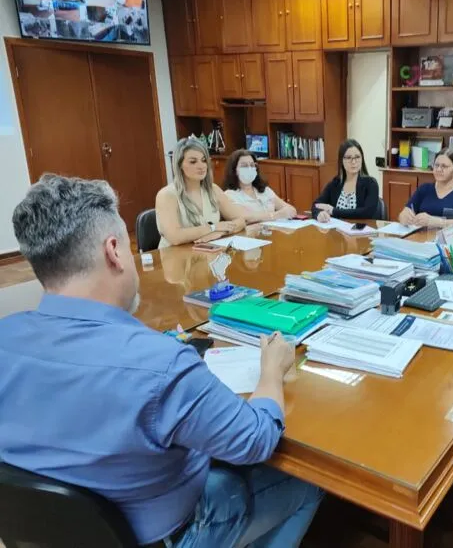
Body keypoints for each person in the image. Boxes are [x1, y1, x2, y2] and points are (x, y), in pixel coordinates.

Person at [0, 175, 323, 548]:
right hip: (171, 533)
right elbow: (257, 440)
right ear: (114, 251)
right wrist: (271, 373)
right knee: (308, 483)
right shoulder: (161, 365)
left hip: (48, 533)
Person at [156, 138, 246, 248]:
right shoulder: (166, 195)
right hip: (174, 255)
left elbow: (240, 220)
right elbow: (175, 237)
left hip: (207, 251)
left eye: (203, 160)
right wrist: (213, 228)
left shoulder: (213, 190)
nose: (201, 166)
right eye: (193, 162)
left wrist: (220, 232)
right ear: (179, 165)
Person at [398, 149, 453, 228]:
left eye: (444, 166)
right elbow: (404, 213)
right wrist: (404, 217)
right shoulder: (424, 189)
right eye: (436, 165)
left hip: (451, 235)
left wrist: (435, 222)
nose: (439, 169)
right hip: (422, 235)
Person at [312, 139, 380, 223]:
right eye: (348, 158)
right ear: (341, 160)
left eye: (357, 157)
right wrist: (319, 214)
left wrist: (333, 211)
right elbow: (316, 205)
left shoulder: (371, 184)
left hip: (361, 229)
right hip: (336, 229)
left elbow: (366, 213)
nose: (353, 162)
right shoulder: (335, 183)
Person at [222, 150, 298, 223]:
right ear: (234, 170)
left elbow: (291, 210)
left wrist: (286, 212)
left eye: (252, 165)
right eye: (244, 166)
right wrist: (276, 215)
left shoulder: (265, 190)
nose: (249, 168)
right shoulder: (229, 195)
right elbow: (245, 218)